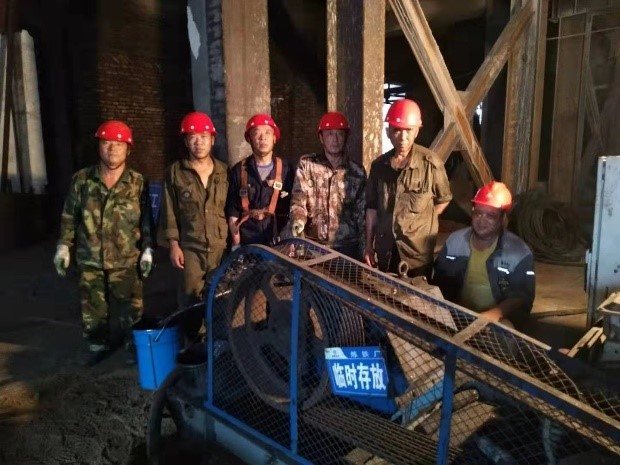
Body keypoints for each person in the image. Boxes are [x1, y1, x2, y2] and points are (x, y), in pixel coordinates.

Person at [53, 120, 153, 366]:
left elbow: (147, 219)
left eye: (118, 144)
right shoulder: (82, 180)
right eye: (107, 143)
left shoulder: (138, 183)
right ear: (99, 146)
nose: (112, 149)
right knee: (93, 308)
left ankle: (133, 347)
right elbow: (70, 215)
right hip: (90, 257)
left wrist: (148, 249)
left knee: (131, 309)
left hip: (126, 258)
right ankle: (97, 345)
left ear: (128, 149)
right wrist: (64, 246)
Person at [159, 111, 229, 343]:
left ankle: (216, 344)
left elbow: (231, 209)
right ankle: (193, 343)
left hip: (220, 247)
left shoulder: (224, 171)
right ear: (186, 141)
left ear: (212, 140)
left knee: (220, 295)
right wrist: (173, 245)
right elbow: (169, 210)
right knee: (189, 298)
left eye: (204, 137)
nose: (199, 142)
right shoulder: (175, 172)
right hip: (190, 247)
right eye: (193, 137)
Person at [365, 99, 452, 279]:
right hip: (386, 250)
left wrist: (422, 222)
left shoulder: (431, 164)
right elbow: (372, 208)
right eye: (397, 130)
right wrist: (368, 245)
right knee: (385, 292)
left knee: (417, 295)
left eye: (408, 131)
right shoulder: (379, 166)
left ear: (417, 131)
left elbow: (443, 200)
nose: (403, 138)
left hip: (417, 255)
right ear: (388, 132)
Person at [432, 181, 535, 328]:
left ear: (503, 219)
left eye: (490, 216)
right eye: (478, 213)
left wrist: (494, 314)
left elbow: (521, 296)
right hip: (456, 312)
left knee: (504, 333)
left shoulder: (519, 252)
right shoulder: (455, 241)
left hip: (496, 320)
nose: (482, 220)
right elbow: (438, 282)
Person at [289, 111, 366, 258]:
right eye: (330, 134)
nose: (335, 139)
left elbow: (362, 214)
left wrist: (365, 247)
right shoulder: (307, 165)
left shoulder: (357, 172)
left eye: (340, 134)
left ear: (346, 137)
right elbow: (298, 200)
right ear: (321, 137)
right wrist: (298, 220)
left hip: (347, 248)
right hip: (314, 247)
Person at [226, 114, 294, 248]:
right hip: (248, 242)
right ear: (249, 139)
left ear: (274, 138)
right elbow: (233, 210)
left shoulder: (286, 169)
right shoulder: (239, 171)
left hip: (278, 240)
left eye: (268, 132)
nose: (263, 138)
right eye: (256, 133)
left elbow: (294, 205)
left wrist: (290, 239)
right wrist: (236, 243)